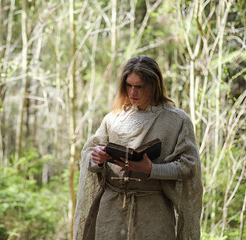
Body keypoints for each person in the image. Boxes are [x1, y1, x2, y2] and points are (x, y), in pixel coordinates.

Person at [73, 55, 203, 240]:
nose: (132, 92)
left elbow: (189, 167)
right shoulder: (113, 118)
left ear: (154, 85)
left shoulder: (177, 120)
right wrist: (97, 159)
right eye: (129, 85)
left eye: (139, 86)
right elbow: (89, 156)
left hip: (153, 211)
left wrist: (151, 169)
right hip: (111, 211)